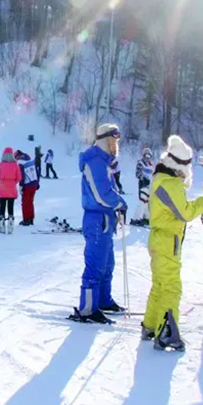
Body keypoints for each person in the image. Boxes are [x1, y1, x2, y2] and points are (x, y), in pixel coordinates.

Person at [142, 135, 203, 351]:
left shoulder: (163, 178)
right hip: (166, 240)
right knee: (171, 286)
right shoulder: (170, 183)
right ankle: (166, 332)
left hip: (160, 238)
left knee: (160, 284)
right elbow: (185, 212)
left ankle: (151, 325)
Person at [70, 123, 128, 324]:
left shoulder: (105, 162)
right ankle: (88, 309)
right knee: (95, 265)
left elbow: (109, 190)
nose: (116, 144)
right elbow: (101, 194)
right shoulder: (94, 161)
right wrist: (120, 202)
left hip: (105, 219)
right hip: (96, 219)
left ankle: (103, 300)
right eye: (114, 140)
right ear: (105, 140)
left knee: (107, 264)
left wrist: (117, 205)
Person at [0, 147, 22, 234]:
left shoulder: (1, 164)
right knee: (10, 207)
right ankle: (10, 225)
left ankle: (2, 225)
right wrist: (13, 182)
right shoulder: (15, 165)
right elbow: (19, 177)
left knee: (2, 207)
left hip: (2, 189)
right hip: (11, 189)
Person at [15, 149, 40, 226]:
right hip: (34, 182)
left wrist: (21, 186)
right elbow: (37, 170)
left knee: (25, 202)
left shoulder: (20, 162)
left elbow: (21, 176)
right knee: (30, 202)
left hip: (27, 184)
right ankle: (31, 218)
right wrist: (37, 182)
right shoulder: (30, 158)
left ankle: (26, 219)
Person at [131, 147, 154, 226]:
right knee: (142, 202)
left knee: (148, 203)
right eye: (146, 156)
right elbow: (138, 174)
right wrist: (143, 179)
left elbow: (153, 175)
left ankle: (146, 218)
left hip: (150, 185)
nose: (147, 158)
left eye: (149, 156)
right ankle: (135, 218)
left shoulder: (151, 165)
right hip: (143, 184)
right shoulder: (140, 163)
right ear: (143, 155)